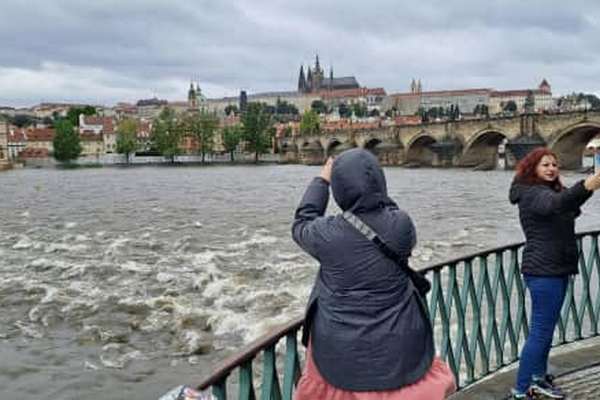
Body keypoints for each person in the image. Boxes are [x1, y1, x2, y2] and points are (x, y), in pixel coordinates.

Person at [292, 148, 456, 400]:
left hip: (339, 348)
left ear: (339, 189)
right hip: (399, 344)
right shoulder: (402, 225)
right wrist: (374, 194)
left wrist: (321, 180)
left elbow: (302, 222)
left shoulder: (326, 234)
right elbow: (387, 211)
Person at [509, 147, 600, 399]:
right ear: (532, 169)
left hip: (556, 267)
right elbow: (557, 204)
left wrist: (588, 188)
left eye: (554, 165)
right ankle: (521, 389)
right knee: (540, 331)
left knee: (546, 329)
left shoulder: (549, 191)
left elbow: (566, 205)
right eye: (545, 165)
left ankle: (537, 379)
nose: (551, 169)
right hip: (542, 270)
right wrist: (587, 184)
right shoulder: (532, 193)